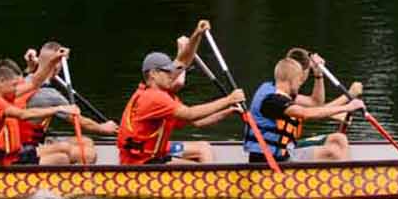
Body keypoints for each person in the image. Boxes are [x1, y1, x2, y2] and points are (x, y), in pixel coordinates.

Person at [115, 50, 245, 164]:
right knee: (197, 171)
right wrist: (229, 99)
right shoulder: (154, 98)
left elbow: (198, 122)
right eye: (167, 72)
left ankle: (209, 182)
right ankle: (211, 185)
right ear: (153, 74)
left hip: (154, 154)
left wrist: (228, 111)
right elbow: (190, 114)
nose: (171, 75)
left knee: (203, 147)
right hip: (140, 163)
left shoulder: (166, 97)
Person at [246, 54, 366, 162]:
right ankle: (340, 182)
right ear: (291, 80)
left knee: (339, 138)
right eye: (299, 81)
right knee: (332, 152)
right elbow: (305, 113)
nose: (300, 84)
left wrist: (318, 74)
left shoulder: (275, 90)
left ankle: (346, 179)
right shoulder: (273, 101)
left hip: (286, 148)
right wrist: (347, 107)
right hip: (272, 160)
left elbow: (315, 103)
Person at [0, 55, 77, 166]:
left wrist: (52, 61)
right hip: (1, 162)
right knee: (62, 159)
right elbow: (24, 114)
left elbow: (34, 83)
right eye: (14, 85)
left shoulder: (4, 96)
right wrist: (59, 108)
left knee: (64, 148)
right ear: (1, 81)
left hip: (14, 155)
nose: (16, 89)